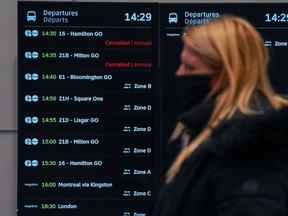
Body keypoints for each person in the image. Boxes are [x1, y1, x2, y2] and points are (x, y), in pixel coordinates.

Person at [152, 15, 288, 216]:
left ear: (228, 73)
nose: (179, 74)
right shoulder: (202, 133)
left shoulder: (250, 143)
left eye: (190, 67)